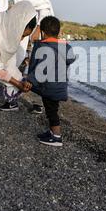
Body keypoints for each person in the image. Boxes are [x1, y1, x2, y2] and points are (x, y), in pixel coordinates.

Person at [27, 16, 76, 147]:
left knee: (51, 112)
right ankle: (51, 132)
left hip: (49, 87)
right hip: (60, 86)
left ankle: (56, 137)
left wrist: (29, 80)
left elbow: (40, 70)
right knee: (51, 109)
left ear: (43, 32)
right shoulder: (65, 46)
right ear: (58, 32)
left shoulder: (44, 47)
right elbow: (71, 59)